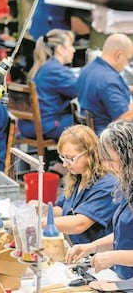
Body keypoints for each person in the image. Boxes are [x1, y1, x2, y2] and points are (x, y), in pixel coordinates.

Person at [65, 120, 133, 280]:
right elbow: (124, 234)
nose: (108, 166)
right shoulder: (128, 186)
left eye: (111, 161)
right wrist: (92, 247)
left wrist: (113, 257)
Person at [30, 125, 118, 245]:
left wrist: (40, 222)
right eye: (63, 158)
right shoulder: (78, 176)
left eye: (70, 159)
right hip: (75, 247)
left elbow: (79, 224)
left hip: (97, 255)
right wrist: (46, 210)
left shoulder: (108, 186)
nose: (65, 165)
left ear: (90, 154)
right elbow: (64, 210)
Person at [18, 29, 78, 141]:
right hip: (47, 125)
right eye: (70, 45)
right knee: (89, 123)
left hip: (29, 125)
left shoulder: (44, 66)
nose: (73, 50)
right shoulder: (56, 71)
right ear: (60, 49)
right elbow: (80, 90)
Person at [78, 33, 133, 135]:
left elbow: (105, 90)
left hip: (91, 132)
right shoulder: (108, 80)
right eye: (128, 59)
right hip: (108, 138)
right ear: (119, 55)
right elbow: (123, 117)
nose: (127, 64)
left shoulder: (88, 69)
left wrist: (128, 88)